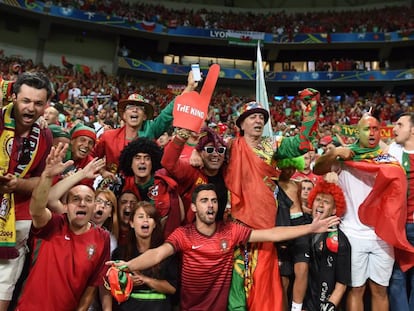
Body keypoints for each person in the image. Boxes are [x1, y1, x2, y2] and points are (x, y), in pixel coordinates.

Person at [108, 183, 340, 311]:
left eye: (214, 201)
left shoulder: (230, 231)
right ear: (195, 208)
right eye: (204, 201)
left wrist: (310, 228)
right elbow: (157, 254)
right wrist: (127, 266)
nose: (210, 205)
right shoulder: (184, 234)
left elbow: (271, 234)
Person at [224, 88, 322, 311]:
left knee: (265, 274)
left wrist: (310, 111)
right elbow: (203, 144)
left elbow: (301, 142)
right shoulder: (229, 147)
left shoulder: (273, 145)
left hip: (266, 220)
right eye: (252, 117)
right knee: (237, 278)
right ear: (241, 124)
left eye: (261, 117)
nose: (258, 120)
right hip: (237, 221)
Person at [313, 113, 411, 311]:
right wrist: (334, 153)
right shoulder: (344, 157)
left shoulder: (388, 160)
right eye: (367, 128)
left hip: (382, 235)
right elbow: (317, 169)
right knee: (356, 290)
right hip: (352, 235)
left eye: (375, 128)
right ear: (358, 131)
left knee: (379, 290)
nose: (372, 132)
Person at [16, 143, 110, 310]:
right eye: (75, 199)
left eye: (88, 200)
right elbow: (37, 208)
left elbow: (92, 287)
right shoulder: (53, 224)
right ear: (65, 206)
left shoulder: (102, 238)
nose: (82, 203)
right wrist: (47, 176)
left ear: (95, 206)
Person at [0, 72, 53, 311]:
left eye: (38, 103)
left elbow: (43, 181)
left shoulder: (45, 135)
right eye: (25, 101)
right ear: (14, 98)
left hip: (18, 220)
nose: (31, 108)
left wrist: (18, 185)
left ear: (46, 105)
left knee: (4, 287)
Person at [93, 72, 197, 180]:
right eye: (130, 106)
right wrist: (103, 171)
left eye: (140, 108)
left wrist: (189, 88)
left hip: (143, 189)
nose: (135, 109)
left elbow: (168, 112)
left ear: (144, 116)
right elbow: (92, 157)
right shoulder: (108, 137)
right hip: (115, 191)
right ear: (124, 115)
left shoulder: (151, 130)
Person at [111, 201, 178, 311]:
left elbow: (172, 288)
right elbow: (112, 286)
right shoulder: (120, 252)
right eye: (141, 217)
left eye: (150, 217)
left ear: (155, 224)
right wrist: (128, 283)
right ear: (132, 223)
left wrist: (145, 280)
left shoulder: (165, 252)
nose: (145, 220)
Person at [161, 126, 228, 223]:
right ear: (200, 152)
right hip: (191, 231)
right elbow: (168, 162)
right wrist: (182, 136)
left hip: (220, 231)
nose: (215, 154)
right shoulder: (192, 170)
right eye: (210, 150)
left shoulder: (227, 171)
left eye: (220, 150)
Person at [118, 137, 183, 238]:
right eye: (137, 158)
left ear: (153, 163)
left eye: (147, 158)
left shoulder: (165, 184)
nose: (142, 162)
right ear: (130, 163)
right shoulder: (120, 185)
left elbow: (180, 216)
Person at [304, 179, 351, 311]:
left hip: (324, 303)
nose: (320, 204)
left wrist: (329, 307)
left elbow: (342, 284)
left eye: (326, 202)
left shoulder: (339, 241)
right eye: (318, 200)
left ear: (334, 209)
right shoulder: (303, 230)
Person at [387, 112, 414, 311]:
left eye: (399, 124)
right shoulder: (392, 151)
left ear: (412, 129)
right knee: (396, 276)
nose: (394, 128)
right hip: (399, 226)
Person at [277, 156, 311, 311]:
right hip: (281, 229)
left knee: (302, 268)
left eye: (292, 168)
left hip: (300, 226)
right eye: (286, 168)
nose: (290, 171)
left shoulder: (297, 185)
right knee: (283, 279)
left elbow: (303, 207)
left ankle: (296, 309)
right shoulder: (272, 186)